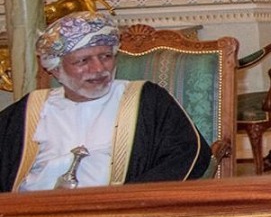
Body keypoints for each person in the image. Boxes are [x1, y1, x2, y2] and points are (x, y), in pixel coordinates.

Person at [0, 11, 205, 190]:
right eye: (83, 61)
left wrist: (129, 201)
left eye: (106, 56)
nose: (99, 69)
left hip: (120, 213)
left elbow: (188, 154)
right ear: (55, 69)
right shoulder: (29, 110)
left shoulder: (147, 100)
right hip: (33, 213)